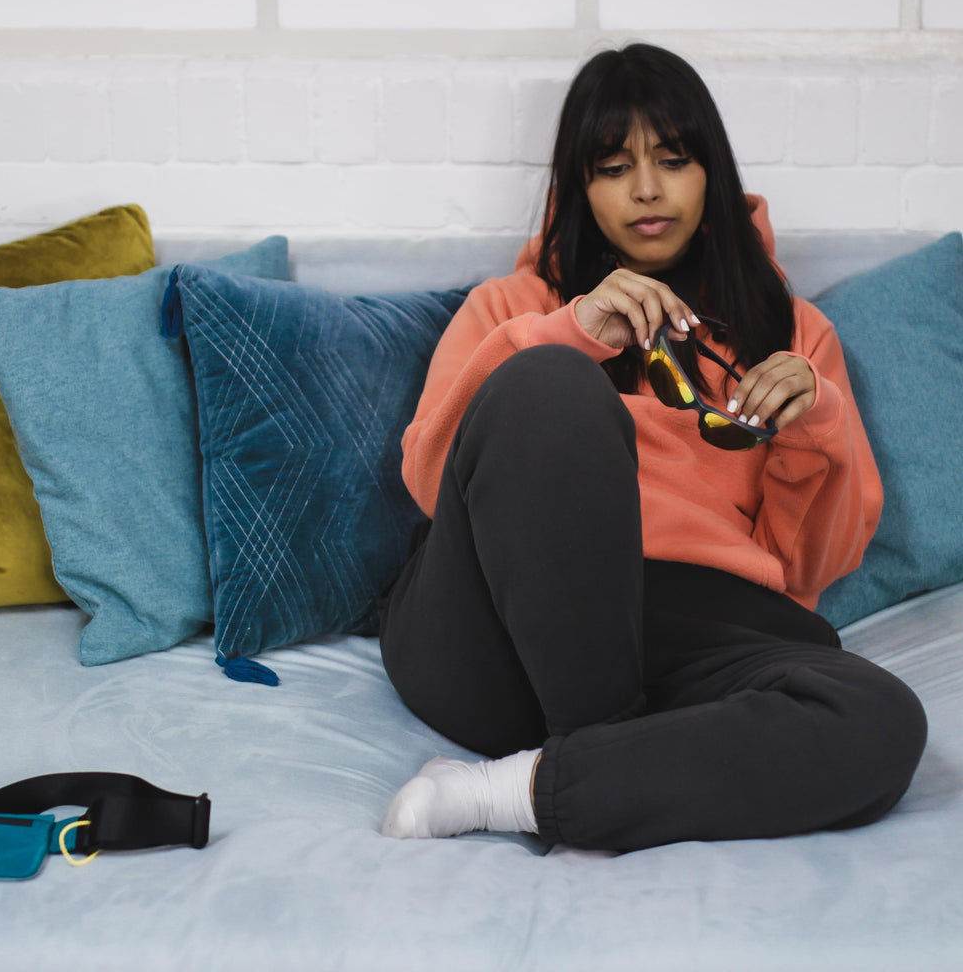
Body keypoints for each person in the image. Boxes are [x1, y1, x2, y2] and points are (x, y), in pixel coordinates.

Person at [378, 43, 927, 854]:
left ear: (713, 174)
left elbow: (812, 562)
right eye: (613, 167)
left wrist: (816, 422)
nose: (646, 189)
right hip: (499, 627)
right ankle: (608, 762)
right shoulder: (512, 306)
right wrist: (570, 333)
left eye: (673, 159)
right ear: (578, 188)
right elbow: (431, 476)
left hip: (694, 636)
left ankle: (523, 789)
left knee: (882, 720)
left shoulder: (794, 336)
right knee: (551, 385)